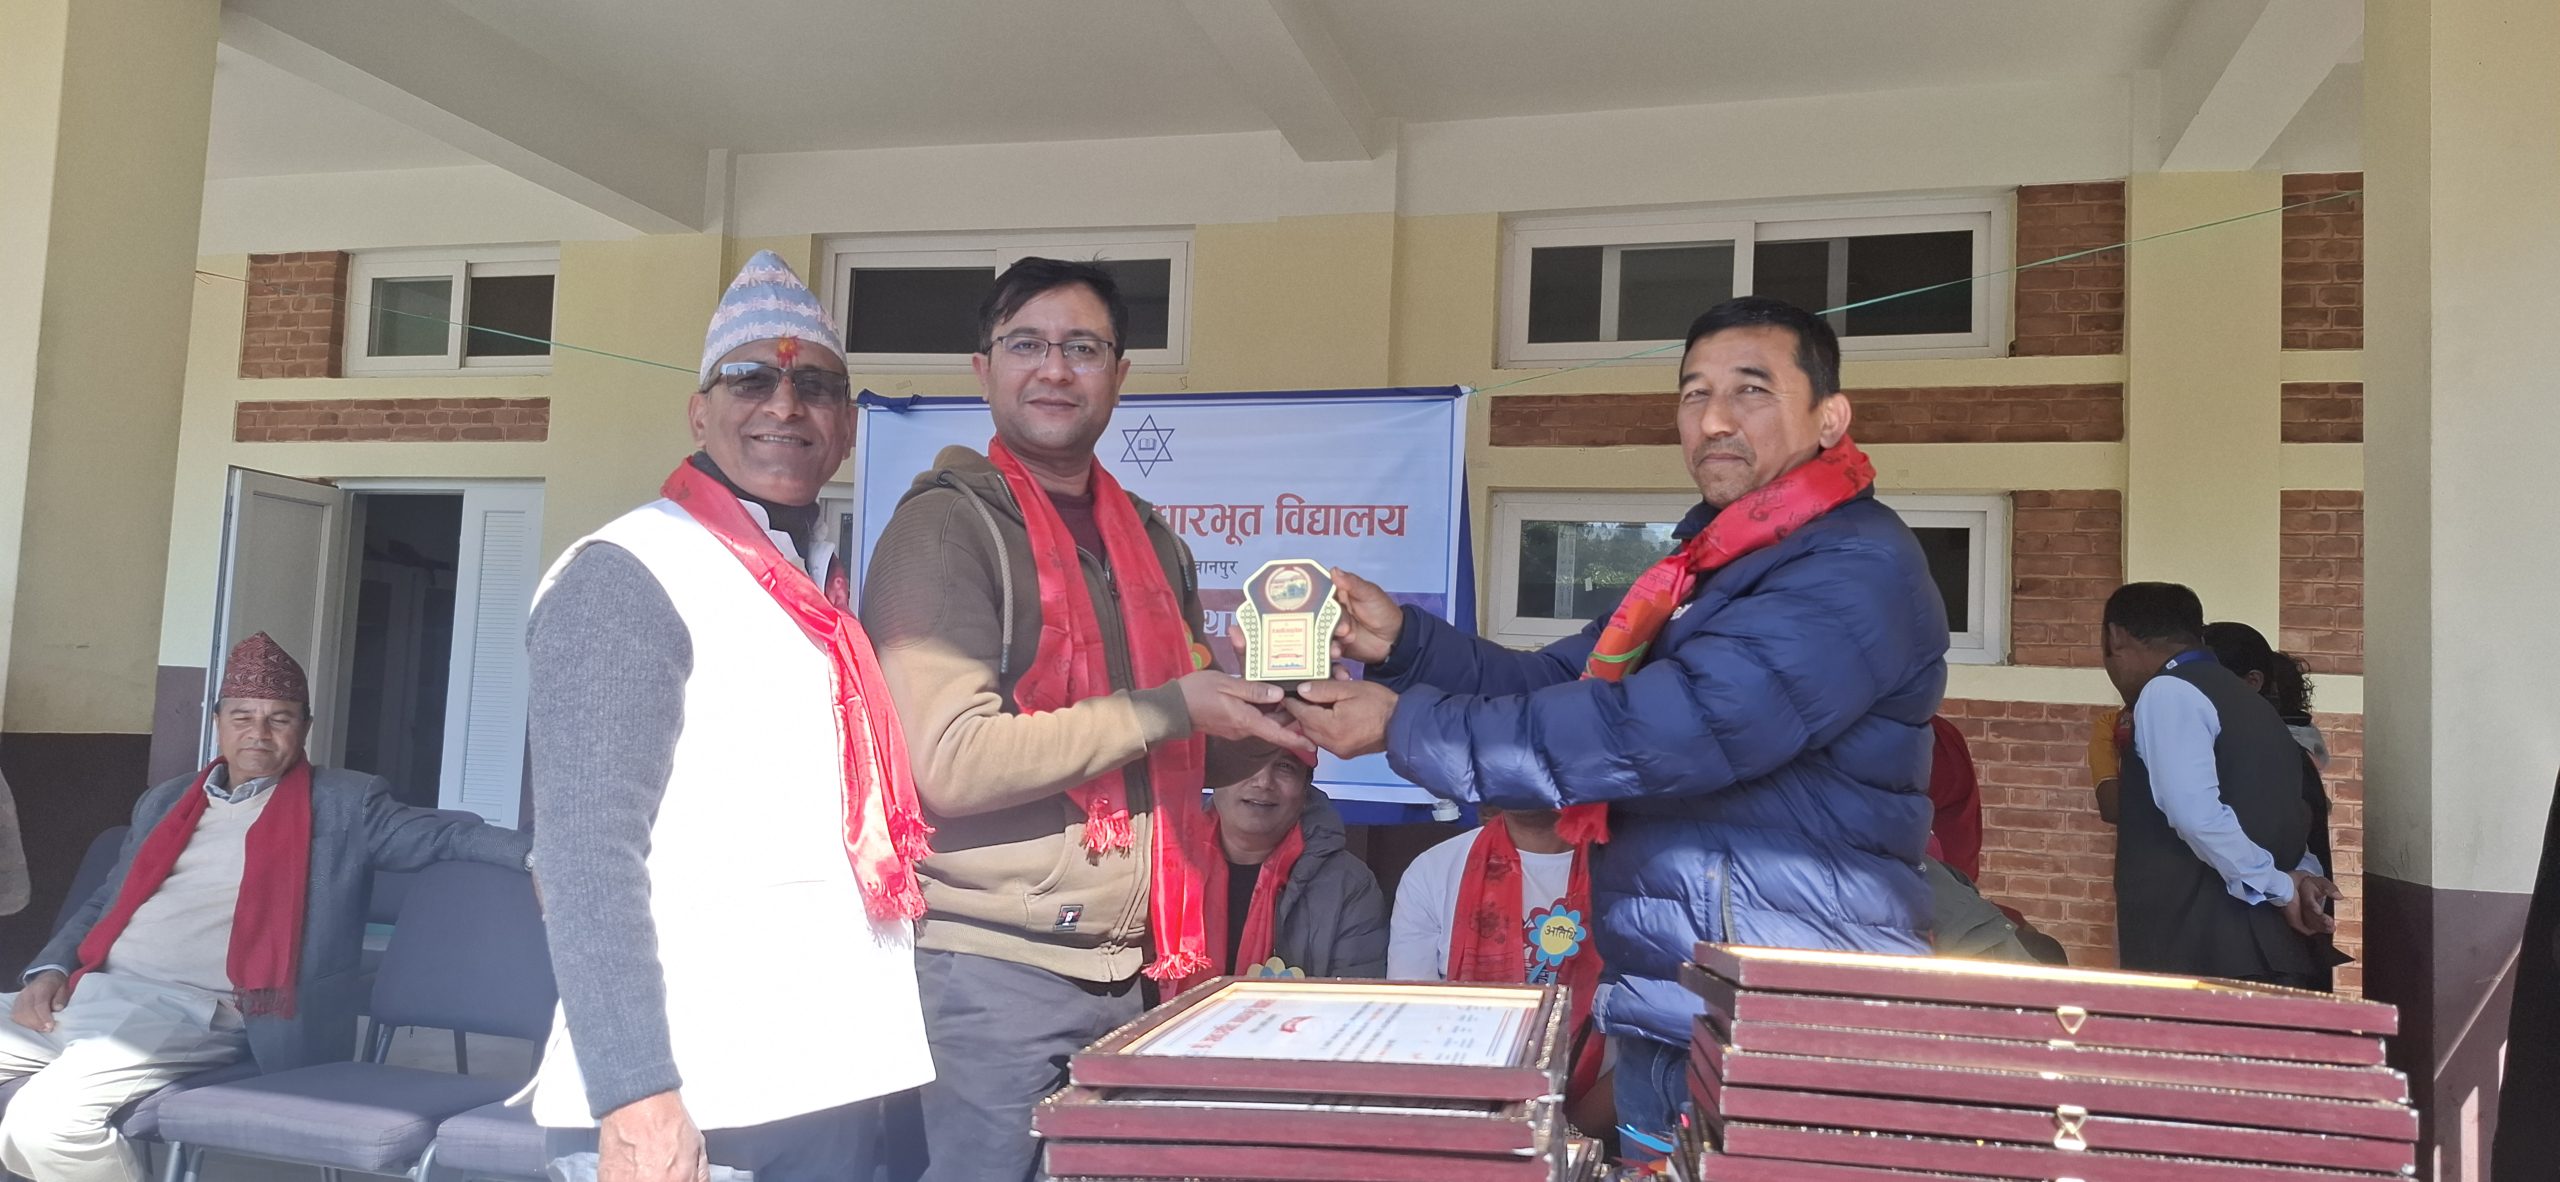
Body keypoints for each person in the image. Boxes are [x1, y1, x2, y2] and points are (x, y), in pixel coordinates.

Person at [1287, 297, 1948, 1161]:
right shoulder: (1703, 573)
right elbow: (1562, 681)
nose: (1714, 419)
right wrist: (1406, 645)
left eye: (1751, 390)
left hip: (1784, 1031)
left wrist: (1407, 728)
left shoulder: (1854, 563)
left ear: (1830, 418)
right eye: (1694, 393)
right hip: (1678, 1013)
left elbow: (1668, 729)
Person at [861, 257, 1310, 1182]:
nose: (1055, 369)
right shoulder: (944, 529)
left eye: (1083, 348)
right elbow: (948, 762)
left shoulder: (1149, 538)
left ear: (1119, 374)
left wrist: (1280, 709)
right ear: (983, 368)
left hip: (1137, 967)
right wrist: (1170, 707)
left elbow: (1177, 751)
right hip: (995, 972)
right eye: (1027, 344)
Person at [525, 252, 933, 1181]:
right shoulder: (632, 571)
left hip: (825, 1078)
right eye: (750, 379)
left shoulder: (817, 584)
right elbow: (584, 857)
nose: (785, 405)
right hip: (694, 1100)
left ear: (846, 429)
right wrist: (636, 1095)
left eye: (815, 386)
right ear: (699, 413)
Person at [2, 634, 529, 1182]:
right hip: (90, 992)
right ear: (217, 722)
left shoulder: (345, 803)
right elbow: (105, 902)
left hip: (196, 1010)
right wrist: (50, 970)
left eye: (280, 719)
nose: (259, 733)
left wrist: (539, 857)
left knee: (46, 1122)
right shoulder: (167, 800)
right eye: (243, 716)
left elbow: (447, 836)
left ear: (305, 727)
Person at [2099, 584, 2335, 985]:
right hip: (2264, 950)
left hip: (2199, 951)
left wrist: (2280, 887)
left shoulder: (2168, 690)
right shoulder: (2252, 703)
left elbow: (2195, 815)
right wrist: (2299, 880)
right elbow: (2284, 817)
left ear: (2115, 637)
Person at [1387, 804, 1612, 1124]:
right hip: (1461, 1122)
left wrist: (1573, 1133)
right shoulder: (1434, 871)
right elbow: (1414, 1028)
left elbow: (1652, 1042)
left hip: (1602, 1125)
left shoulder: (1632, 869)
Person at [1200, 751, 1386, 980]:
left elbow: (1351, 998)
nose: (1263, 782)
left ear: (1306, 786)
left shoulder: (1349, 886)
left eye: (1285, 766)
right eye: (1248, 759)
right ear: (1214, 772)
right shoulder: (1163, 867)